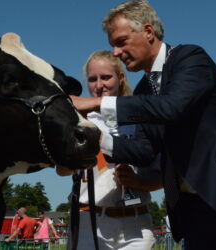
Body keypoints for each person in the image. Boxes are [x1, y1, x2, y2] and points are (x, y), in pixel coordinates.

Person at [70, 1, 216, 249]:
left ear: (148, 32)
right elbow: (144, 150)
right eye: (113, 46)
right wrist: (95, 137)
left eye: (121, 42)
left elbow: (172, 107)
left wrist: (96, 102)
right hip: (193, 208)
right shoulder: (143, 89)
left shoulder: (190, 58)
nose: (117, 52)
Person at [57, 50, 160, 249]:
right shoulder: (79, 122)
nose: (99, 85)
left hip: (135, 225)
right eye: (92, 79)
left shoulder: (140, 119)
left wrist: (140, 181)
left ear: (120, 78)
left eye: (106, 77)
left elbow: (163, 176)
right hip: (88, 222)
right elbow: (62, 171)